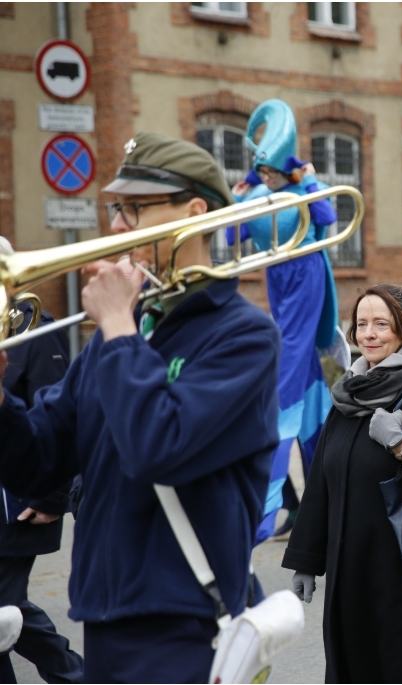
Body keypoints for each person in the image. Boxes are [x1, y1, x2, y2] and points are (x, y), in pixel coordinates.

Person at [0, 134, 281, 683]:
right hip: (104, 612)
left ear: (195, 212)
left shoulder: (244, 336)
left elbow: (160, 447)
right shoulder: (120, 336)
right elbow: (37, 463)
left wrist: (120, 328)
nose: (118, 227)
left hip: (186, 621)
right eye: (117, 209)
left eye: (135, 209)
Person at [283, 285, 402, 682]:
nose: (368, 334)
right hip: (351, 576)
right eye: (362, 324)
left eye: (381, 324)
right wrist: (306, 561)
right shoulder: (347, 398)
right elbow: (321, 485)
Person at [231, 99, 339, 543]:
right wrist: (236, 201)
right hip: (279, 275)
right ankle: (320, 501)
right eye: (265, 173)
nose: (269, 178)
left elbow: (330, 217)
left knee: (288, 380)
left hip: (307, 271)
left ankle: (268, 502)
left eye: (275, 172)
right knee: (309, 388)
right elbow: (231, 237)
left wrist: (309, 180)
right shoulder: (259, 191)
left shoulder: (301, 185)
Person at [0, 238, 84, 684]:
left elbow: (58, 418)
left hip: (23, 504)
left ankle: (73, 673)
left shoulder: (36, 332)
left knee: (3, 607)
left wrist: (52, 497)